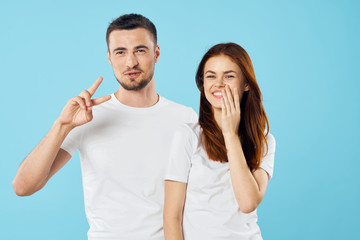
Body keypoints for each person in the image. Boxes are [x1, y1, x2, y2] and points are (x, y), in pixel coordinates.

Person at [13, 14, 197, 239]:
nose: (131, 63)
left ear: (156, 53)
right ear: (109, 57)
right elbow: (23, 186)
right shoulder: (89, 117)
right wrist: (62, 126)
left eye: (140, 50)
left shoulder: (185, 117)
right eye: (120, 52)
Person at [163, 43, 276, 240]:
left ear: (246, 84)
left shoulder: (264, 141)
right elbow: (171, 217)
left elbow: (248, 203)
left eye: (229, 76)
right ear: (203, 84)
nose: (219, 83)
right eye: (211, 76)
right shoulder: (188, 135)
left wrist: (230, 134)